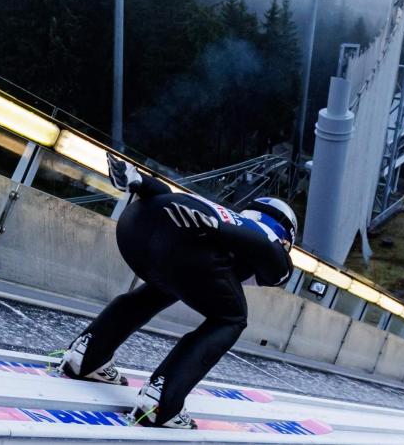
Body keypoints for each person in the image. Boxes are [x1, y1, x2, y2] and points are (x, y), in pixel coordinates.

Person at [58, 153, 294, 429]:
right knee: (231, 319)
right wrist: (218, 227)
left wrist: (140, 181)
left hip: (137, 223)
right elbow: (274, 262)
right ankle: (162, 400)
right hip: (189, 240)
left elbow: (170, 197)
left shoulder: (223, 212)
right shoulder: (265, 235)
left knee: (159, 290)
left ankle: (86, 356)